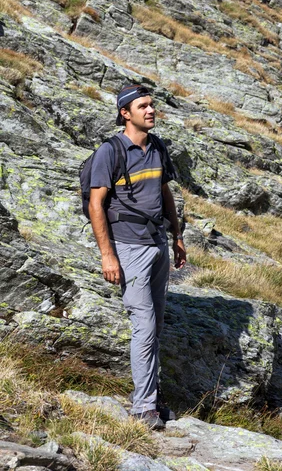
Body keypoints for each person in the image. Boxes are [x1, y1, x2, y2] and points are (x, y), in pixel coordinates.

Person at [89, 84, 186, 430]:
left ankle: (150, 397)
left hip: (158, 243)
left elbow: (165, 194)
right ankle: (143, 407)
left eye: (152, 105)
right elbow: (95, 204)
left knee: (155, 325)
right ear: (124, 113)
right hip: (128, 247)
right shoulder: (110, 152)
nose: (150, 111)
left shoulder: (157, 147)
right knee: (143, 325)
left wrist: (177, 236)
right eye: (142, 106)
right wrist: (108, 256)